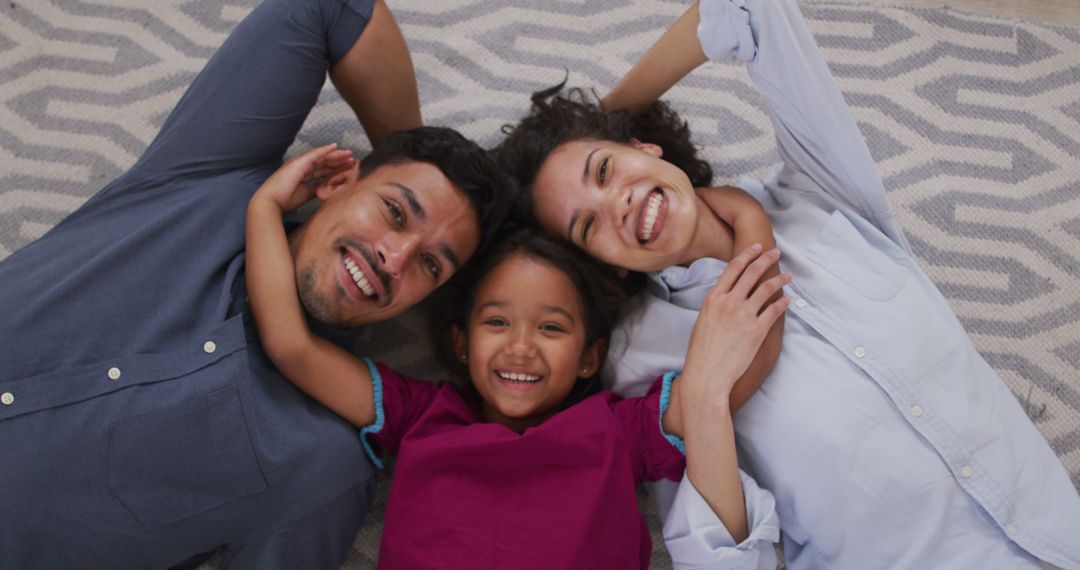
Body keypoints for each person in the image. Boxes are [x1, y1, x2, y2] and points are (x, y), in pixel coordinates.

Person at [496, 0, 1080, 568]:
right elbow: (720, 561)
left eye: (604, 171)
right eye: (588, 225)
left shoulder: (817, 194)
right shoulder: (644, 352)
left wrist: (599, 125)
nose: (616, 204)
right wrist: (702, 393)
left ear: (643, 144)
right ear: (607, 265)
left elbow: (750, 9)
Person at [0, 0, 510, 567]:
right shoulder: (210, 175)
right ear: (340, 179)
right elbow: (329, 10)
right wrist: (429, 153)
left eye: (432, 266)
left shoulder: (323, 467)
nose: (395, 259)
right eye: (394, 211)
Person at [244, 147, 790, 568]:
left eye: (551, 327)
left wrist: (748, 221)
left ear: (588, 357)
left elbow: (725, 379)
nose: (521, 347)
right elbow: (293, 347)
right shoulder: (420, 415)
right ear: (460, 342)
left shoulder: (621, 432)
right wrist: (265, 207)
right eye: (496, 322)